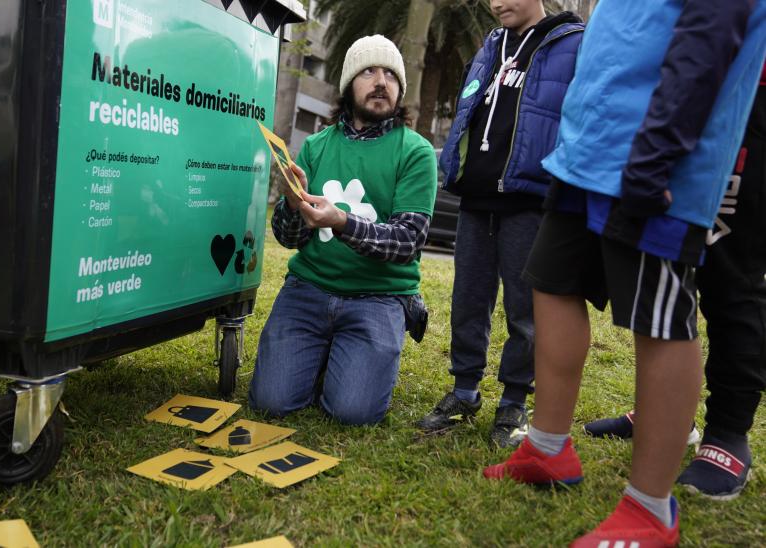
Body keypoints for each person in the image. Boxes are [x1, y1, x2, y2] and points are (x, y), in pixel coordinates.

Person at [483, 1, 766, 546]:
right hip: (591, 145)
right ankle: (548, 447)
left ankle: (649, 507)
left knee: (658, 320)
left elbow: (711, 35)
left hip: (657, 153)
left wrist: (658, 149)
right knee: (552, 282)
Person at [584, 73, 766, 501]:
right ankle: (668, 415)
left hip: (747, 93)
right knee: (663, 273)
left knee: (731, 271)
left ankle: (727, 432)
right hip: (675, 96)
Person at [417, 0, 584, 447]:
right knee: (468, 299)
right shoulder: (491, 45)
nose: (496, 3)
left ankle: (513, 402)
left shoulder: (571, 44)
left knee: (525, 311)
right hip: (476, 198)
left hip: (528, 200)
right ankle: (464, 391)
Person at [248, 35, 438, 426]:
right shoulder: (316, 146)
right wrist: (290, 201)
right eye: (368, 71)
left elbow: (406, 242)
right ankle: (326, 353)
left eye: (390, 74)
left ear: (400, 89)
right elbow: (288, 238)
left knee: (352, 413)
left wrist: (343, 222)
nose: (381, 82)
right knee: (271, 404)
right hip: (309, 289)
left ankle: (344, 355)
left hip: (379, 297)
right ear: (349, 85)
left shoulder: (416, 152)